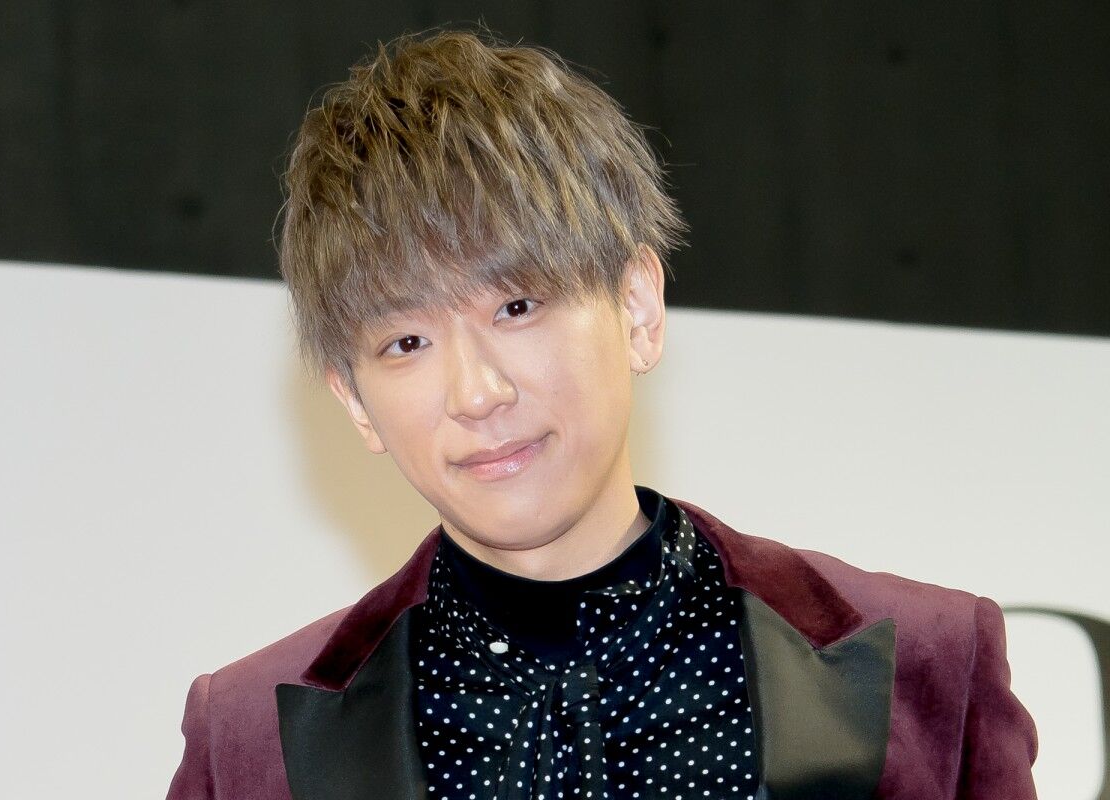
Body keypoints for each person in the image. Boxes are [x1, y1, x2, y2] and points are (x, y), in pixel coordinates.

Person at [164, 29, 1038, 800]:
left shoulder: (930, 667)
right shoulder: (246, 741)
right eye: (406, 343)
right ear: (354, 400)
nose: (476, 392)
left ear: (637, 308)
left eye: (516, 307)